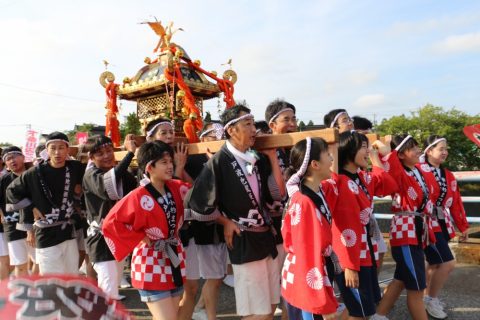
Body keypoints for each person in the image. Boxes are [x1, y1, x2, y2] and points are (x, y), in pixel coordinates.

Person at [186, 103, 283, 320]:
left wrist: (272, 157)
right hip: (244, 239)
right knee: (255, 310)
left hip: (266, 235)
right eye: (247, 124)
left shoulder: (256, 157)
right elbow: (196, 206)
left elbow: (276, 194)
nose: (253, 130)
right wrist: (225, 222)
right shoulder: (219, 162)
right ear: (231, 130)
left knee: (270, 303)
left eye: (253, 123)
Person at [102, 141, 191, 320]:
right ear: (150, 167)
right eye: (164, 162)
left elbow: (200, 194)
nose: (170, 166)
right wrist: (141, 236)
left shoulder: (176, 187)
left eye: (170, 162)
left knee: (172, 315)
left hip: (174, 256)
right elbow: (110, 223)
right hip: (150, 259)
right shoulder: (137, 196)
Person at [332, 132, 398, 319]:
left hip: (364, 251)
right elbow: (342, 227)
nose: (368, 150)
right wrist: (349, 265)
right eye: (363, 147)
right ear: (348, 150)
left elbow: (390, 185)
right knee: (361, 310)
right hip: (348, 255)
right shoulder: (338, 181)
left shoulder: (362, 178)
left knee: (360, 308)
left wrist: (376, 159)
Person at [373, 134, 437, 320]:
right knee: (417, 288)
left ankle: (379, 315)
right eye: (413, 148)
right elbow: (391, 168)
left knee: (401, 278)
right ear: (400, 155)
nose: (418, 150)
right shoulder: (399, 174)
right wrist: (385, 152)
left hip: (416, 229)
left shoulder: (415, 170)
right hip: (406, 232)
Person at [6, 132, 84, 275]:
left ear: (68, 149)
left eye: (61, 148)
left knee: (71, 274)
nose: (57, 152)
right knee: (51, 277)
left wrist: (78, 188)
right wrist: (32, 207)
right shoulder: (35, 172)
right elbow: (11, 192)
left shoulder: (75, 168)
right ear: (46, 151)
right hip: (45, 233)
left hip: (67, 230)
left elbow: (90, 178)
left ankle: (69, 298)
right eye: (52, 148)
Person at [281, 137, 338, 320]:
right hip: (307, 272)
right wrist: (320, 299)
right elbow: (306, 251)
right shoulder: (303, 202)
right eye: (328, 155)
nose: (332, 160)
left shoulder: (316, 192)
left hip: (312, 267)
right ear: (315, 164)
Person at [82, 135, 137, 300]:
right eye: (100, 153)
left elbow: (135, 189)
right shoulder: (91, 174)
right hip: (100, 237)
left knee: (115, 279)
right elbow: (107, 188)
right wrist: (129, 154)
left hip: (118, 234)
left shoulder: (119, 174)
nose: (106, 156)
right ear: (91, 157)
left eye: (109, 151)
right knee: (108, 283)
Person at [420, 135, 469, 319]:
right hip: (425, 222)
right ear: (429, 151)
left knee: (434, 263)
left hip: (441, 221)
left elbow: (455, 202)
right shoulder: (418, 171)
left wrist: (462, 226)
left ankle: (427, 298)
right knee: (448, 263)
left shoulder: (447, 174)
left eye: (445, 148)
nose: (445, 152)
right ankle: (430, 299)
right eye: (441, 148)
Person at [183, 122, 228, 320]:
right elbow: (193, 191)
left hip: (225, 222)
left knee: (220, 274)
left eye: (221, 135)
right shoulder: (193, 160)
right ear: (203, 139)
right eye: (213, 136)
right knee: (215, 277)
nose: (218, 140)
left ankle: (201, 306)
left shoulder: (227, 157)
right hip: (204, 225)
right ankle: (210, 316)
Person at [0, 147, 38, 277]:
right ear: (6, 165)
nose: (12, 160)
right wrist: (2, 216)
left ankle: (33, 286)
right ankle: (22, 292)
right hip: (12, 226)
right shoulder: (3, 180)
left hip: (35, 224)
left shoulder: (35, 175)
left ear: (23, 157)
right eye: (8, 159)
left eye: (15, 156)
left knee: (39, 261)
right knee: (20, 264)